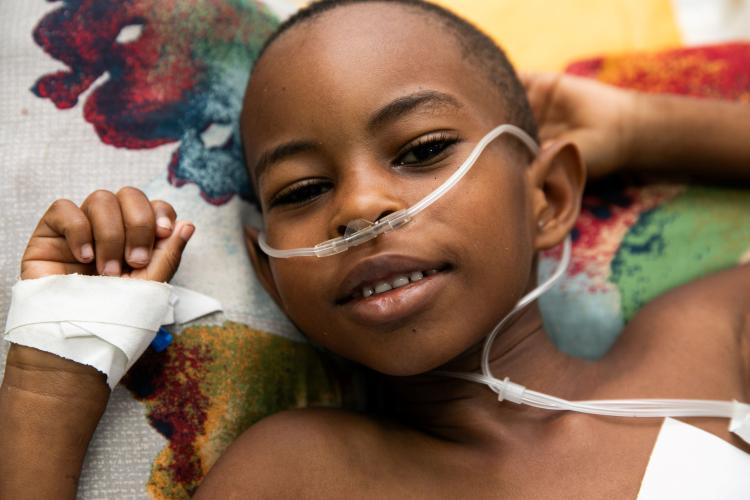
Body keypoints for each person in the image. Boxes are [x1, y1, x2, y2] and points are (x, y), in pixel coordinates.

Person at [2, 0, 749, 498]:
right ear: (271, 271)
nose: (360, 207)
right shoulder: (297, 474)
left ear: (547, 198)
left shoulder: (710, 335)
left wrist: (645, 127)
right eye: (300, 192)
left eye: (421, 149)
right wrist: (53, 371)